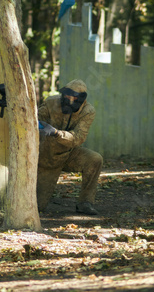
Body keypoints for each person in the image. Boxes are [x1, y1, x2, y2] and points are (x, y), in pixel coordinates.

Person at [37, 79, 103, 215]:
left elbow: (78, 138)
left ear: (81, 99)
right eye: (66, 96)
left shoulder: (87, 111)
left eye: (73, 97)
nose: (68, 99)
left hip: (68, 154)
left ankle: (85, 202)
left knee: (95, 159)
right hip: (45, 157)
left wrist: (56, 133)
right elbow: (34, 122)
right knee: (37, 207)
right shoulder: (51, 102)